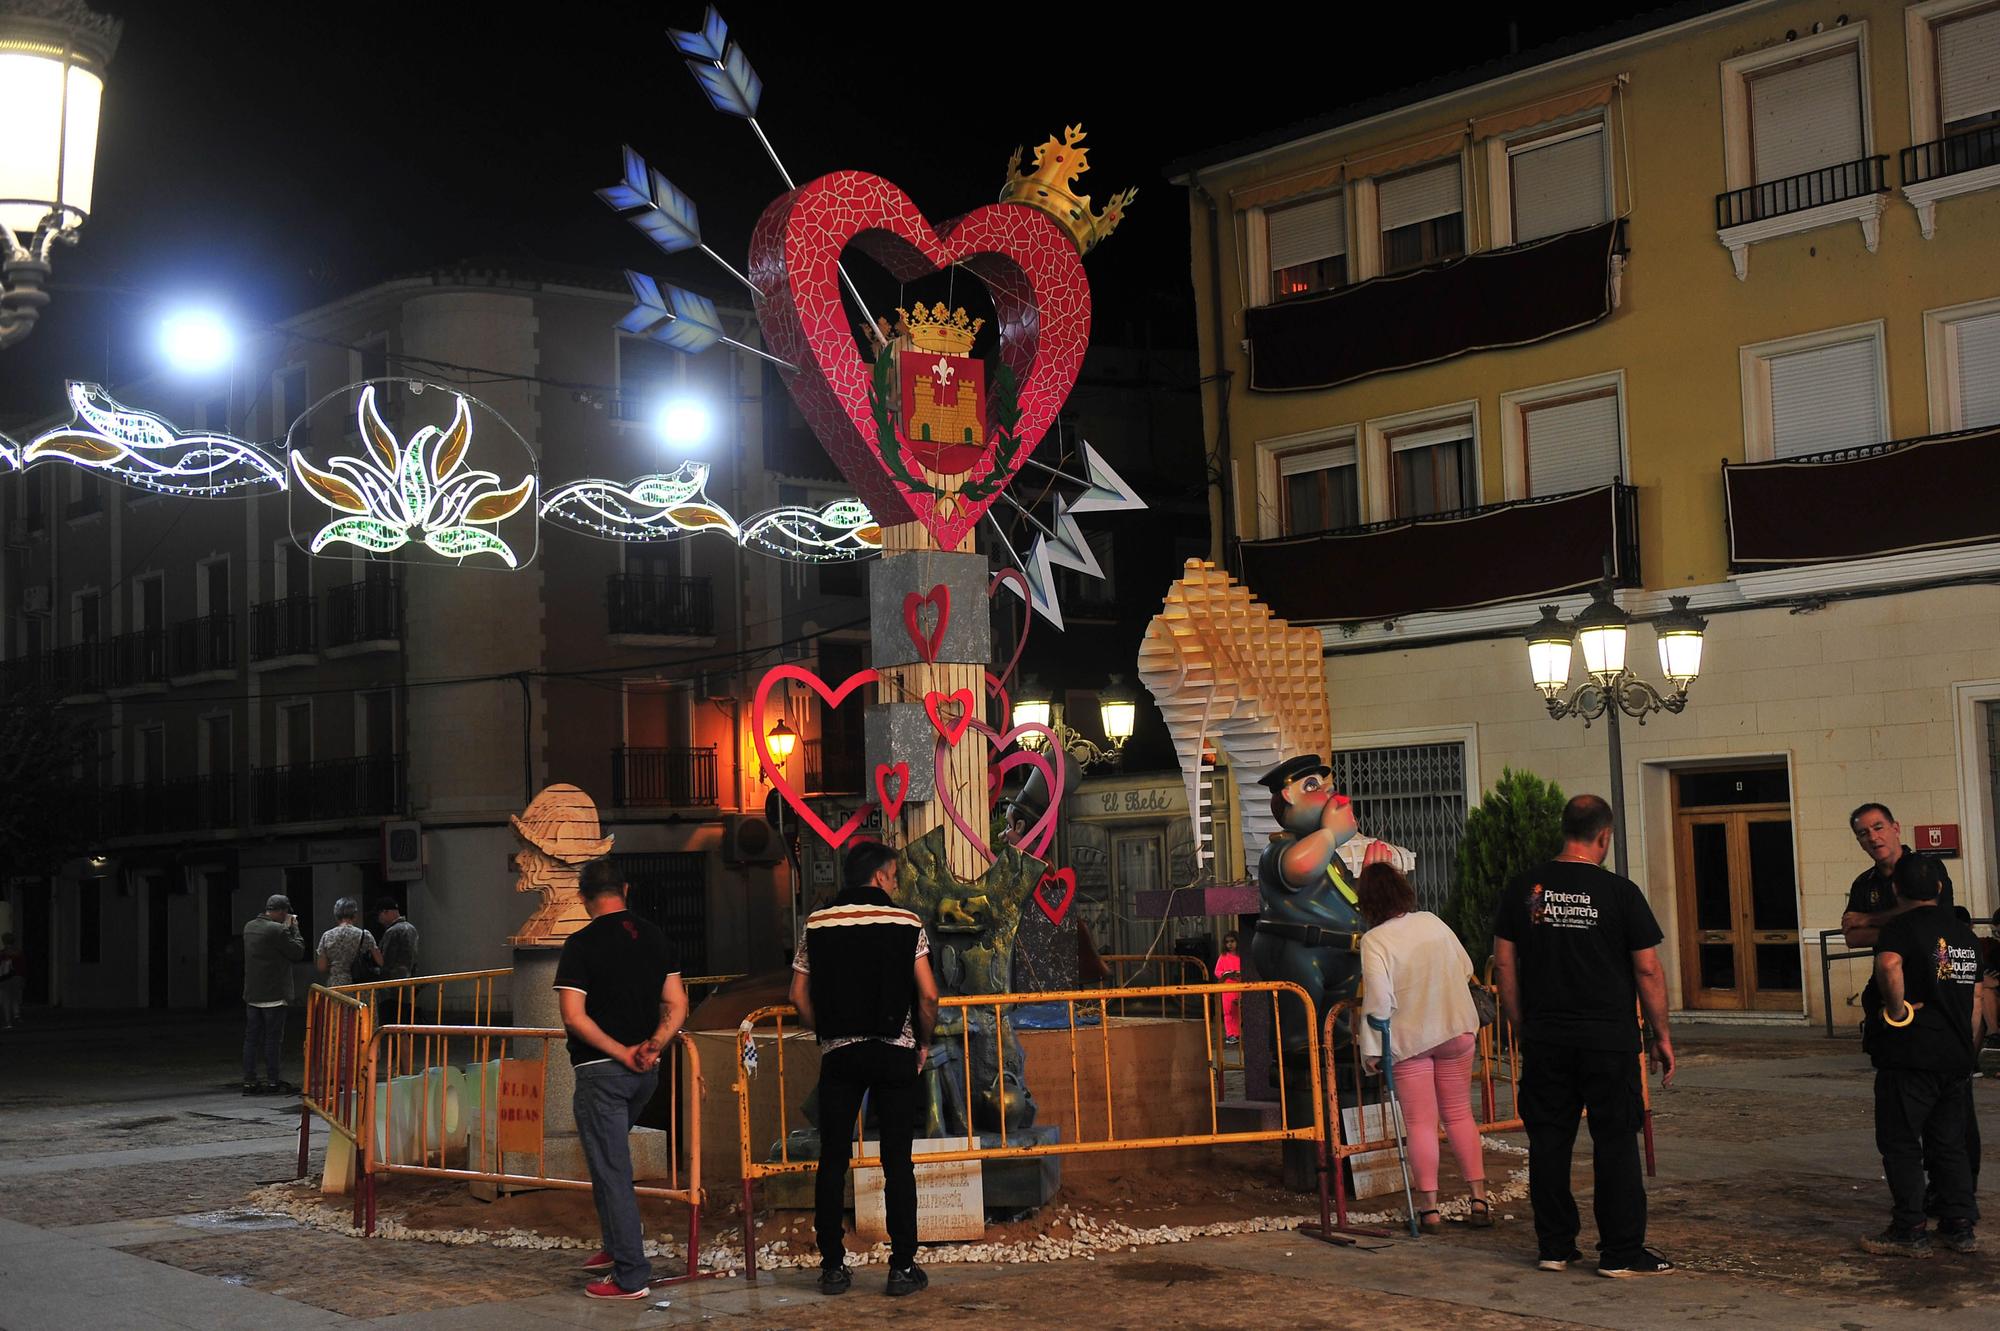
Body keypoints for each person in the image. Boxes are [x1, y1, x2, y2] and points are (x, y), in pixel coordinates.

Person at [1493, 794, 1675, 1278]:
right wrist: (1662, 1034)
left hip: (1547, 1037)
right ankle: (1620, 1252)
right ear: (1604, 837)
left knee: (1549, 1141)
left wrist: (1518, 1023)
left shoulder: (1528, 889)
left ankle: (1554, 1246)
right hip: (1608, 1040)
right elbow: (1648, 969)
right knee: (1615, 1141)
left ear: (1564, 831)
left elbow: (1504, 961)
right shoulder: (1620, 892)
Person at [790, 840, 938, 1299]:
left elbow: (797, 995)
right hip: (895, 1051)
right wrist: (923, 1043)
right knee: (898, 1160)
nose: (895, 884)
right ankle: (902, 1268)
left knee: (833, 1157)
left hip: (840, 1054)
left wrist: (828, 1032)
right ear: (878, 876)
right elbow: (928, 995)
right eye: (893, 876)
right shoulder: (906, 922)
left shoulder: (817, 923)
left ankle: (832, 1267)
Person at [554, 859, 688, 1299]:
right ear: (625, 889)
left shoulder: (580, 944)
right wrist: (653, 1045)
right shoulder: (654, 937)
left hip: (601, 1074)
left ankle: (631, 1274)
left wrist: (620, 1052)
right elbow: (677, 1005)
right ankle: (615, 1246)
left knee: (611, 1170)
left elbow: (574, 1016)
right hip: (645, 1075)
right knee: (606, 1161)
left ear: (582, 897)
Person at [1356, 863, 1489, 1233]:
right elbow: (1466, 967)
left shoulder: (1375, 941)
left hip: (1411, 1040)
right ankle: (1478, 1198)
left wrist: (1371, 1050)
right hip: (1456, 1028)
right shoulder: (1433, 922)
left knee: (1420, 1124)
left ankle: (1429, 1209)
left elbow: (1379, 1003)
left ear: (1366, 903)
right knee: (1460, 1114)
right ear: (1403, 890)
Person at [1860, 853, 1980, 1257]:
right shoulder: (1963, 933)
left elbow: (1889, 964)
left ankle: (1909, 1227)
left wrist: (1896, 1012)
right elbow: (1976, 997)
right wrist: (1970, 1042)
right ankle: (1958, 1223)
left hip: (1911, 1054)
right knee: (1949, 1143)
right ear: (1941, 888)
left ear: (1896, 889)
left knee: (1901, 1140)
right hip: (1955, 1053)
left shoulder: (1900, 927)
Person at [1844, 803, 1953, 948]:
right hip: (1885, 966)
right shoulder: (1863, 883)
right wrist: (1908, 924)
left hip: (1929, 965)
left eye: (1878, 828)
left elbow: (1934, 917)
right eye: (1864, 833)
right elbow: (1853, 938)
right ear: (1860, 842)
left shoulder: (1927, 866)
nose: (1873, 837)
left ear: (1895, 829)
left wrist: (1870, 919)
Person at [242, 895, 305, 1095]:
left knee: (251, 1039)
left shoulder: (249, 927)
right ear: (281, 911)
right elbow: (297, 951)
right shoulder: (277, 930)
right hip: (275, 995)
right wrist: (293, 928)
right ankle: (272, 1080)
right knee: (272, 1040)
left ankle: (249, 1081)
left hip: (252, 994)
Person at [315, 898, 384, 986]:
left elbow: (321, 967)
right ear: (355, 915)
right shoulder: (364, 935)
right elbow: (380, 961)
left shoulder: (327, 936)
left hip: (336, 986)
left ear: (336, 915)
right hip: (360, 985)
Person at [376, 898, 420, 980]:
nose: (379, 919)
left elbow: (386, 961)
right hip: (410, 979)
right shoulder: (411, 928)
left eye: (379, 914)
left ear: (385, 912)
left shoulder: (393, 931)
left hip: (393, 981)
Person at [1215, 931, 1243, 1044]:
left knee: (1238, 1012)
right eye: (1227, 942)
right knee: (1228, 1012)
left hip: (1240, 987)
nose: (1230, 944)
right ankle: (1230, 1034)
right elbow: (1217, 971)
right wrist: (1226, 973)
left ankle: (1237, 1033)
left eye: (1232, 941)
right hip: (1227, 988)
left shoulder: (1241, 956)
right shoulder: (1223, 957)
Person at [0, 931, 28, 1029]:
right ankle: (16, 1015)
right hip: (17, 977)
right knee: (15, 997)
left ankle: (8, 1023)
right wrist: (23, 978)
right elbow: (23, 967)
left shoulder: (2, 953)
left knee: (6, 1000)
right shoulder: (19, 953)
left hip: (5, 978)